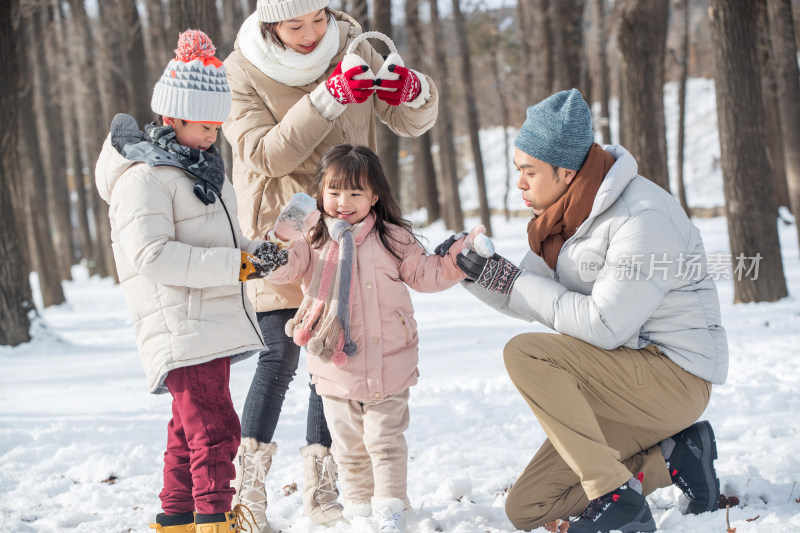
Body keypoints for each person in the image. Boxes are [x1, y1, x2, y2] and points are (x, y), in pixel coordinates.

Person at [439, 89, 728, 533]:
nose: (519, 184)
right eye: (519, 170)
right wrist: (471, 272)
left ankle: (616, 496)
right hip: (619, 381)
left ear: (566, 170)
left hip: (674, 378)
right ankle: (674, 458)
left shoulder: (641, 216)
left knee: (527, 354)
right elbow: (526, 296)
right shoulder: (567, 219)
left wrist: (510, 279)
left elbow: (605, 324)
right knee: (530, 508)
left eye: (529, 172)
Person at [221, 0, 439, 529]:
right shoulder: (241, 68)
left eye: (319, 19)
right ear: (270, 24)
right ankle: (247, 491)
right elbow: (262, 153)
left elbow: (406, 123)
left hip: (349, 228)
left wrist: (412, 95)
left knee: (336, 357)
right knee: (279, 358)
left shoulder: (353, 46)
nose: (311, 33)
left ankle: (324, 490)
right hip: (287, 228)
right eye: (296, 25)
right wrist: (325, 99)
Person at [94, 30, 289, 533]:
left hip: (207, 322)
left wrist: (256, 254)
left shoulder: (201, 171)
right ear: (172, 118)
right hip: (183, 325)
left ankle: (178, 521)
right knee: (217, 431)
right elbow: (152, 255)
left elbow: (223, 239)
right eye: (204, 126)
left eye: (217, 128)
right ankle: (215, 522)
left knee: (188, 432)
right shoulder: (146, 177)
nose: (212, 136)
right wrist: (235, 266)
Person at [261, 144, 468, 532]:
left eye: (356, 192)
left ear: (374, 196)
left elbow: (425, 274)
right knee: (351, 448)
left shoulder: (393, 238)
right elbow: (285, 270)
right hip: (335, 366)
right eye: (335, 192)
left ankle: (391, 512)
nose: (344, 202)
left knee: (385, 441)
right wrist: (275, 244)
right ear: (321, 192)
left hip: (390, 362)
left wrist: (459, 259)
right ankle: (358, 512)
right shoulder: (312, 238)